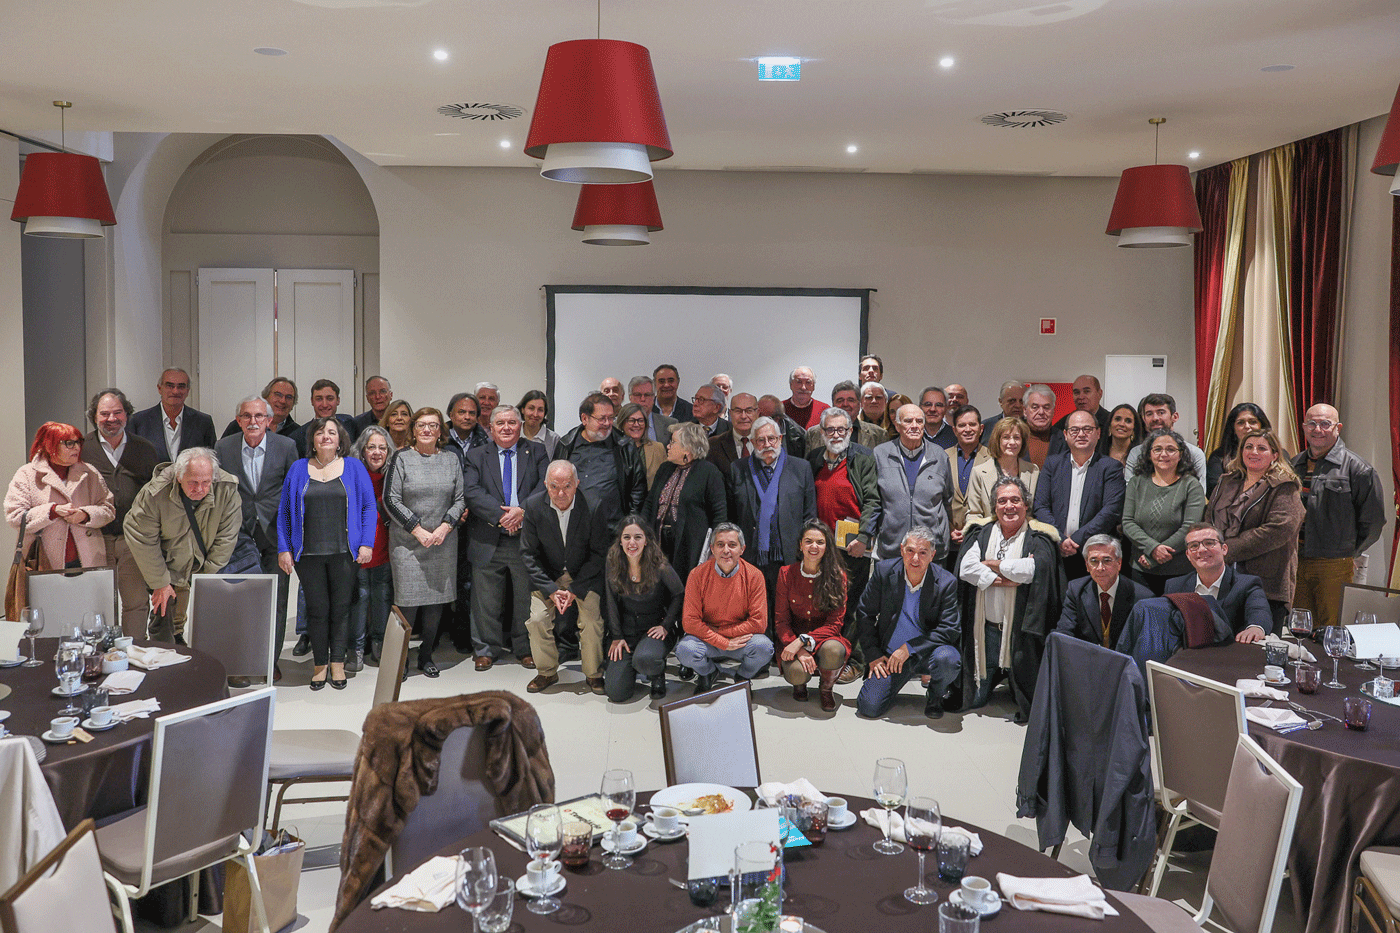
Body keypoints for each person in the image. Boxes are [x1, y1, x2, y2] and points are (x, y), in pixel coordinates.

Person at [277, 417, 377, 689]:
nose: (326, 436)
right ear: (312, 439)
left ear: (340, 439)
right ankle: (320, 664)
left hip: (345, 552)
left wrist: (367, 543)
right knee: (317, 610)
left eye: (331, 432)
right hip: (308, 554)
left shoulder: (354, 467)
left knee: (341, 610)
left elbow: (369, 507)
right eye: (320, 432)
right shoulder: (298, 468)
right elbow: (284, 512)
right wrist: (284, 548)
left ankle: (337, 663)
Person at [957, 476, 1065, 721]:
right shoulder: (982, 533)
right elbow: (966, 568)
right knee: (975, 700)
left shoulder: (1039, 537)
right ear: (994, 507)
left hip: (1021, 636)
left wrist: (991, 564)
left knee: (1026, 702)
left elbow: (1033, 570)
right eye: (1002, 501)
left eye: (1015, 500)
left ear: (1026, 505)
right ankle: (993, 674)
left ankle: (1014, 681)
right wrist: (1008, 577)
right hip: (986, 633)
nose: (1009, 506)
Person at [124, 447, 241, 643]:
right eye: (193, 482)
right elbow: (141, 537)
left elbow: (227, 536)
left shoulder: (226, 488)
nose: (200, 489)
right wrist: (160, 582)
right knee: (163, 606)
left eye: (206, 482)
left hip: (198, 560)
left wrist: (206, 575)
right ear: (179, 476)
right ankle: (159, 646)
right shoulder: (155, 493)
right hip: (160, 558)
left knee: (180, 615)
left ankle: (178, 640)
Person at [462, 405, 549, 670]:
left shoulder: (536, 451)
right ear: (491, 427)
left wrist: (522, 511)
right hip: (488, 537)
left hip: (525, 539)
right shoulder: (477, 455)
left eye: (512, 422)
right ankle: (486, 649)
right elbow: (471, 491)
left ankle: (525, 648)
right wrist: (502, 516)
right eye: (500, 423)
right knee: (485, 601)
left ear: (520, 425)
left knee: (525, 599)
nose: (506, 428)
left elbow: (544, 486)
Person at [215, 396, 297, 672]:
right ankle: (242, 657)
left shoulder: (286, 446)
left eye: (259, 416)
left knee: (276, 600)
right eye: (247, 416)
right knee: (240, 600)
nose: (253, 421)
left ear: (269, 420)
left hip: (275, 536)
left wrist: (290, 541)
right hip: (237, 536)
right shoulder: (223, 447)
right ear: (238, 420)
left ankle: (269, 662)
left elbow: (293, 494)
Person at [383, 407, 466, 677]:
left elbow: (460, 499)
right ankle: (401, 659)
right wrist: (416, 529)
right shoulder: (401, 458)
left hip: (442, 541)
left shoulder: (451, 459)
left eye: (433, 425)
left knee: (435, 603)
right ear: (413, 429)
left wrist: (445, 527)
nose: (427, 430)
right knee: (407, 602)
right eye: (421, 425)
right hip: (407, 544)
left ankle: (426, 655)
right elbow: (390, 499)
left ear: (441, 430)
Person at [1289, 403, 1386, 634]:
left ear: (1338, 428)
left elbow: (1373, 522)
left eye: (1325, 424)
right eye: (1312, 423)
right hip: (1296, 560)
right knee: (1299, 629)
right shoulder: (1294, 465)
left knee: (1331, 631)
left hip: (1333, 563)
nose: (1318, 429)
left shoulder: (1358, 468)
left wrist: (1349, 552)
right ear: (1304, 427)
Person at [521, 461, 610, 694]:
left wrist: (574, 590)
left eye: (567, 486)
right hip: (547, 576)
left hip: (583, 575)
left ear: (577, 484)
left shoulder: (593, 505)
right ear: (545, 484)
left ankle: (593, 673)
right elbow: (529, 555)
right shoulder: (533, 506)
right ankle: (547, 672)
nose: (560, 493)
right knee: (537, 619)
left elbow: (599, 554)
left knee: (591, 620)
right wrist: (551, 589)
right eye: (554, 487)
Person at [1204, 429, 1305, 633]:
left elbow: (1279, 529)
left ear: (1274, 454)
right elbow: (1209, 517)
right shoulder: (1226, 481)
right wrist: (1211, 547)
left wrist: (1227, 550)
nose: (1254, 452)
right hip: (1221, 578)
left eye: (1262, 448)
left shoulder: (1284, 485)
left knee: (1258, 645)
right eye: (1248, 447)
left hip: (1265, 582)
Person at [856, 527, 961, 719]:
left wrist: (909, 648)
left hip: (928, 654)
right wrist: (873, 654)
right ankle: (892, 682)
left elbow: (950, 628)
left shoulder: (946, 582)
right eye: (910, 550)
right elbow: (864, 613)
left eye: (923, 553)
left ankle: (935, 696)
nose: (915, 559)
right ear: (902, 550)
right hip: (891, 656)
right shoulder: (884, 571)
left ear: (932, 555)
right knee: (868, 707)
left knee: (948, 659)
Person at [807, 406, 879, 684]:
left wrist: (864, 537)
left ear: (850, 431)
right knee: (823, 603)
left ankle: (853, 660)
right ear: (821, 432)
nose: (836, 434)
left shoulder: (863, 457)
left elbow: (873, 500)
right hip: (821, 546)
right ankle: (826, 657)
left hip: (852, 545)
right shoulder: (814, 458)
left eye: (841, 429)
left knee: (852, 604)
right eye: (830, 429)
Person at [81, 388, 161, 637]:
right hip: (94, 538)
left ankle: (133, 650)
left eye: (117, 412)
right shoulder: (82, 449)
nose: (111, 419)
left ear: (127, 414)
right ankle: (101, 653)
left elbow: (156, 495)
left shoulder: (145, 448)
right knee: (97, 603)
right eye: (104, 413)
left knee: (136, 601)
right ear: (94, 416)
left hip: (133, 540)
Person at [731, 416, 817, 622]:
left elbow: (809, 514)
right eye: (761, 440)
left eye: (772, 438)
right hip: (752, 554)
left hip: (789, 553)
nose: (767, 444)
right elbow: (732, 514)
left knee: (788, 610)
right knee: (756, 609)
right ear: (753, 443)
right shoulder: (738, 469)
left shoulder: (801, 467)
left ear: (780, 439)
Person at [6, 421, 115, 578]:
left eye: (78, 442)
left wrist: (85, 515)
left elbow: (108, 509)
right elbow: (14, 516)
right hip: (43, 561)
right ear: (49, 445)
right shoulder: (27, 474)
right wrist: (52, 511)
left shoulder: (89, 472)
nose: (77, 448)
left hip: (87, 560)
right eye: (69, 443)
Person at [676, 524, 774, 693]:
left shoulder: (755, 576)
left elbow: (758, 623)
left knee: (764, 647)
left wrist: (721, 634)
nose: (726, 550)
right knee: (685, 651)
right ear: (712, 549)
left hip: (738, 640)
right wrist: (723, 642)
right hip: (708, 640)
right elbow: (690, 622)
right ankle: (708, 672)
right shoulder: (696, 575)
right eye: (720, 545)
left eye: (732, 545)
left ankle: (742, 677)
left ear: (742, 549)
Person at [1031, 410, 1126, 580]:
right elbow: (1040, 506)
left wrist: (1075, 540)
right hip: (1055, 551)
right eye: (1074, 430)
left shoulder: (1111, 467)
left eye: (1087, 429)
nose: (1081, 434)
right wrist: (1060, 538)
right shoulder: (1052, 464)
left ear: (1098, 433)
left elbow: (1111, 511)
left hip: (1094, 554)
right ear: (1065, 434)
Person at [604, 516, 684, 702]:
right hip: (626, 632)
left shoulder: (659, 565)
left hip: (654, 630)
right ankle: (633, 664)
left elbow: (679, 594)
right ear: (620, 540)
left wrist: (666, 625)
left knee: (645, 659)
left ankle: (656, 673)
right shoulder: (613, 562)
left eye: (638, 537)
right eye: (626, 537)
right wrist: (617, 636)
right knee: (616, 693)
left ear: (646, 540)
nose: (632, 543)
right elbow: (611, 601)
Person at [776, 520, 850, 711]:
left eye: (820, 542)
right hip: (792, 640)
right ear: (801, 545)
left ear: (827, 546)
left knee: (834, 650)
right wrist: (797, 648)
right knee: (796, 673)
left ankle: (826, 689)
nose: (814, 546)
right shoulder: (786, 573)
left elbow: (835, 624)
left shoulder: (837, 576)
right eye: (808, 541)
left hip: (825, 639)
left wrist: (803, 641)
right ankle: (799, 685)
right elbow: (781, 621)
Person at [1121, 429, 1206, 594]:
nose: (1163, 454)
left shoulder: (1191, 485)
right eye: (1157, 449)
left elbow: (1190, 527)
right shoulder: (1136, 483)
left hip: (1179, 573)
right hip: (1140, 570)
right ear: (1149, 454)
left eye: (1171, 449)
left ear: (1180, 455)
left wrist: (1153, 557)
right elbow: (1127, 522)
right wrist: (1152, 548)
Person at [871, 403, 953, 559]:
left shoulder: (939, 456)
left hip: (931, 550)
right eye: (908, 421)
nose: (914, 426)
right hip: (891, 548)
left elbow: (947, 498)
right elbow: (873, 501)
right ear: (897, 426)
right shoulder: (880, 454)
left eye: (919, 421)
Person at [644, 422, 728, 575]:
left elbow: (719, 514)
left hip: (690, 548)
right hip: (658, 543)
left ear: (688, 447)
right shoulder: (665, 468)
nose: (668, 446)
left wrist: (716, 548)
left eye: (673, 442)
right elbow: (650, 503)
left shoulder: (709, 473)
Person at [554, 392, 647, 529]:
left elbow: (638, 489)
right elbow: (553, 485)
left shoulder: (624, 446)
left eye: (611, 418)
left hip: (612, 529)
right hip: (573, 528)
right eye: (602, 418)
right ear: (585, 419)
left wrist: (631, 524)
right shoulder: (566, 445)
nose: (607, 423)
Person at [1165, 523, 1271, 642]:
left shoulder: (1247, 584)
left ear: (1224, 549)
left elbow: (1259, 611)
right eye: (1194, 545)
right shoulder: (1174, 586)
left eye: (1209, 543)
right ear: (1188, 555)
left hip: (1230, 650)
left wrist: (1255, 628)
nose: (1202, 550)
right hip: (1187, 651)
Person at [349, 426, 395, 666]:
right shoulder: (351, 474)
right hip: (358, 546)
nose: (377, 452)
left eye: (382, 448)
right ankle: (356, 648)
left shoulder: (393, 476)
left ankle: (379, 644)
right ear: (362, 450)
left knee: (382, 595)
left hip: (386, 545)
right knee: (360, 596)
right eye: (371, 447)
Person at [1054, 535, 1152, 648]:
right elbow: (1064, 632)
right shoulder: (1076, 590)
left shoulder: (1143, 598)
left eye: (1107, 560)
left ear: (1119, 563)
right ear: (1087, 565)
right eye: (1094, 561)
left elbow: (1144, 645)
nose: (1100, 568)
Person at [129, 368, 218, 462]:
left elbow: (211, 461)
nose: (175, 391)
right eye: (170, 386)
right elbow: (131, 460)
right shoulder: (138, 421)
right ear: (159, 388)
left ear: (187, 391)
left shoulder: (203, 422)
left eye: (181, 386)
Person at [965, 416, 1039, 529]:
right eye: (1006, 437)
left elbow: (1037, 511)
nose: (1012, 442)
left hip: (1025, 534)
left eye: (1017, 437)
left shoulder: (1033, 471)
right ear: (997, 441)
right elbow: (974, 514)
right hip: (989, 534)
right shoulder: (979, 472)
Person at [1124, 394, 1207, 484]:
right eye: (1149, 414)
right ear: (1144, 419)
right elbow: (1131, 489)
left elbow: (1199, 490)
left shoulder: (1195, 454)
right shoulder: (1136, 453)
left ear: (1175, 417)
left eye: (1161, 412)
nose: (1155, 418)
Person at [946, 405, 990, 546]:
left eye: (972, 424)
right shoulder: (942, 457)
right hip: (948, 538)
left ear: (981, 428)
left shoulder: (993, 458)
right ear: (954, 430)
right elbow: (937, 500)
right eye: (962, 425)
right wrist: (949, 529)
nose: (968, 429)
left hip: (981, 538)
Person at [1205, 402, 1270, 495]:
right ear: (1233, 429)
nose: (1247, 426)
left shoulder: (1276, 454)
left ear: (1262, 426)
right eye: (1241, 423)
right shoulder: (1219, 456)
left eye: (1252, 422)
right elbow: (1213, 491)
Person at [804, 380, 886, 452]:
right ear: (833, 405)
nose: (845, 404)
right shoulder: (814, 434)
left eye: (851, 400)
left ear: (859, 404)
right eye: (840, 400)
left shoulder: (878, 435)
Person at [289, 379, 360, 456]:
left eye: (330, 399)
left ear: (338, 400)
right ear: (312, 401)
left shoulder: (349, 423)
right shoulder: (298, 436)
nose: (324, 405)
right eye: (319, 399)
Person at [1048, 374, 1111, 457]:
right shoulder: (1062, 424)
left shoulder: (1111, 422)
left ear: (1100, 394)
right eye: (1076, 392)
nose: (1081, 397)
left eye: (1086, 391)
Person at [220, 376, 301, 439]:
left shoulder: (299, 433)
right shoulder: (240, 425)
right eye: (278, 395)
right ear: (266, 397)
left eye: (289, 397)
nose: (283, 401)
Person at [707, 392, 761, 480]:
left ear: (757, 413)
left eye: (749, 411)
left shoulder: (768, 443)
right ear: (730, 413)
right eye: (738, 411)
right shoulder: (713, 445)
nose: (743, 416)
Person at [618, 401, 668, 487]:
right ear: (622, 423)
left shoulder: (658, 448)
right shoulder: (613, 449)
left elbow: (666, 480)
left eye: (640, 421)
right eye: (631, 420)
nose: (636, 424)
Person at [627, 375, 676, 443]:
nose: (643, 399)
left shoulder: (670, 424)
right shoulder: (618, 426)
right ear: (630, 398)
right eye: (638, 395)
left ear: (653, 398)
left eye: (647, 395)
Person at [444, 392, 488, 463]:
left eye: (472, 413)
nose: (467, 417)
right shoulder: (440, 440)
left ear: (477, 417)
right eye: (462, 412)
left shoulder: (485, 442)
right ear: (451, 415)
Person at [1021, 384, 1057, 467]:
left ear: (1053, 411)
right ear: (1025, 410)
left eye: (1046, 407)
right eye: (1035, 407)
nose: (1041, 412)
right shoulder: (1013, 437)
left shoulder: (1064, 440)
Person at [518, 389, 560, 458]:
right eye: (531, 408)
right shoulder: (513, 434)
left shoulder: (554, 440)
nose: (535, 414)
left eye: (540, 410)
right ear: (522, 409)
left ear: (545, 413)